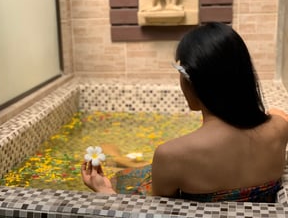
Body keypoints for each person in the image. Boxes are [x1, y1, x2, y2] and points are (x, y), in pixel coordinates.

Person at [81, 22, 288, 202]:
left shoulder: (172, 154)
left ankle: (121, 165)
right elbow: (272, 116)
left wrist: (103, 189)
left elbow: (152, 213)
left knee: (123, 179)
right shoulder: (280, 128)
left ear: (191, 82)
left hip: (171, 173)